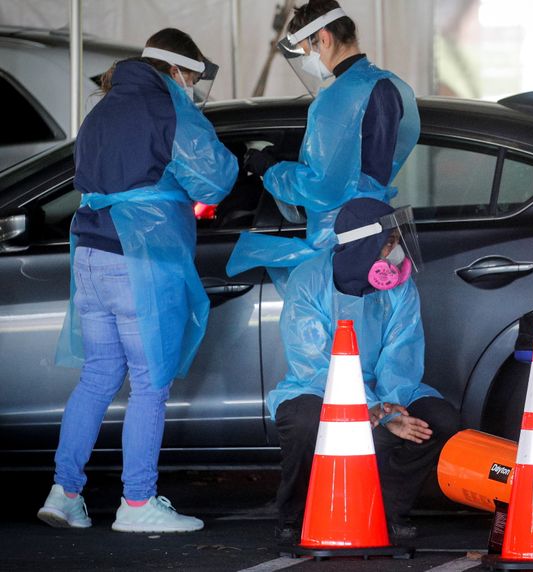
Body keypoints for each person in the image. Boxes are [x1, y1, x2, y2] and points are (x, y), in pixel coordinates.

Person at [38, 28, 238, 533]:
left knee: (99, 375)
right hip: (140, 261)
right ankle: (137, 502)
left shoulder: (100, 109)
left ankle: (64, 493)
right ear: (175, 70)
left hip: (89, 257)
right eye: (191, 78)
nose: (191, 87)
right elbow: (214, 178)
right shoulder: (168, 108)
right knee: (150, 384)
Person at [270, 198, 460, 542]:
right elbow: (313, 361)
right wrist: (371, 407)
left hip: (386, 393)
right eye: (390, 243)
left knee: (438, 420)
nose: (396, 251)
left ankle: (388, 509)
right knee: (303, 421)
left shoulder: (399, 286)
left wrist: (389, 408)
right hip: (317, 387)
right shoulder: (308, 281)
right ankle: (294, 515)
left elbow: (402, 353)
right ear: (363, 244)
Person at [226, 0, 420, 294]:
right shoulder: (389, 86)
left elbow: (322, 186)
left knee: (334, 335)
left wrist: (270, 169)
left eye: (306, 50)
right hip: (378, 236)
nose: (306, 60)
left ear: (325, 38)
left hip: (340, 242)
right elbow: (363, 162)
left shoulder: (338, 98)